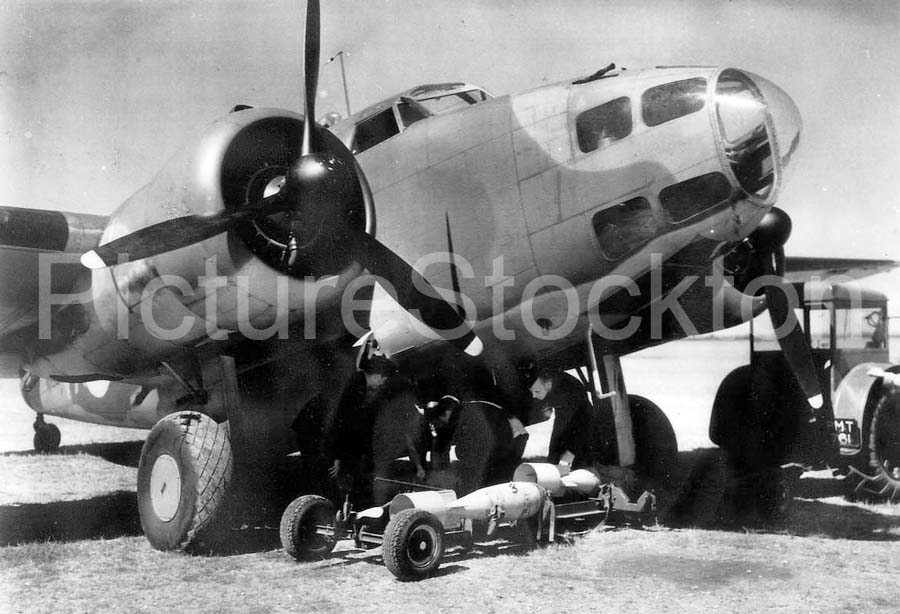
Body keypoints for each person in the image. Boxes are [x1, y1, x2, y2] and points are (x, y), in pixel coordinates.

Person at [322, 356, 398, 505]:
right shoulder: (356, 387)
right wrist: (337, 457)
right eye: (383, 380)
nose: (382, 384)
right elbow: (341, 422)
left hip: (330, 439)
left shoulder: (357, 382)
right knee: (336, 483)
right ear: (377, 376)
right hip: (328, 441)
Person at [425, 395, 526, 496]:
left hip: (512, 436)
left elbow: (476, 452)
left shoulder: (463, 417)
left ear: (447, 413)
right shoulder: (460, 413)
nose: (441, 425)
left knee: (495, 477)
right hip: (515, 433)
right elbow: (442, 447)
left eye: (440, 421)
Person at [527, 369, 591, 467]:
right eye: (532, 392)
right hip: (569, 416)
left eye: (537, 391)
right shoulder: (549, 384)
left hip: (584, 425)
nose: (534, 396)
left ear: (548, 384)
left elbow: (582, 425)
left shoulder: (568, 392)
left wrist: (571, 453)